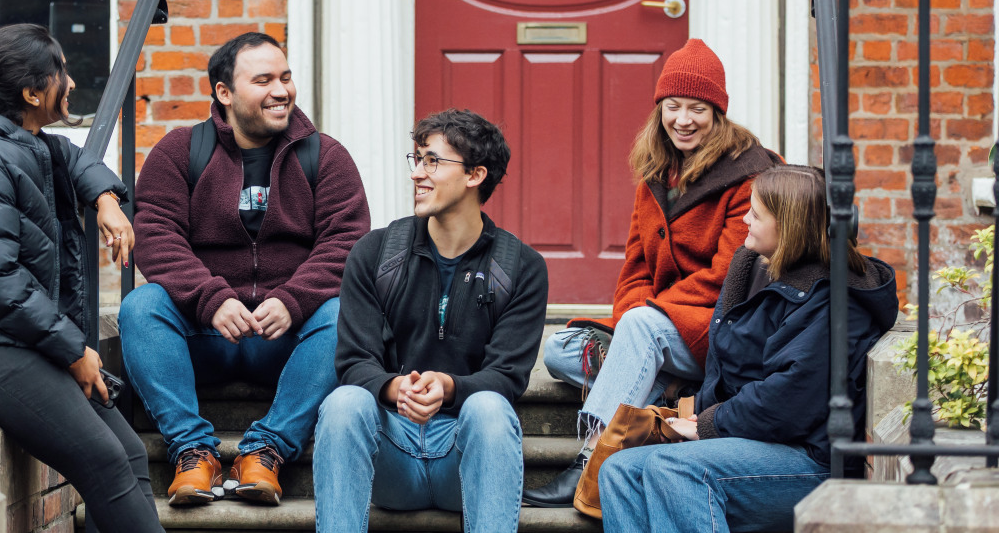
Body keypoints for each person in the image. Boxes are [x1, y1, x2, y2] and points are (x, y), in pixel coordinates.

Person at [0, 24, 160, 532]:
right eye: (60, 71)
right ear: (31, 93)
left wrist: (105, 200)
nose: (72, 81)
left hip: (5, 339)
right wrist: (73, 350)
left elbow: (72, 157)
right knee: (103, 461)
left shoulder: (23, 141)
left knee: (127, 452)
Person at [523, 38, 783, 508]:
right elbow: (635, 268)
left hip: (716, 327)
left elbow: (729, 277)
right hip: (663, 327)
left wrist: (646, 317)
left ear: (717, 113)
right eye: (673, 106)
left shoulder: (748, 177)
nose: (683, 119)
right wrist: (633, 318)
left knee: (640, 327)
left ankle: (591, 460)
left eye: (697, 108)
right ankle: (668, 388)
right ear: (659, 108)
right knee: (562, 350)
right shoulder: (657, 173)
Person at [119, 32, 370, 507]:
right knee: (140, 307)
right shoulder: (179, 151)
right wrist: (210, 299)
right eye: (264, 80)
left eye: (286, 77)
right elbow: (155, 234)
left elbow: (348, 241)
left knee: (345, 316)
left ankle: (266, 450)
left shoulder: (325, 155)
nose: (282, 90)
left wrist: (294, 299)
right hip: (204, 337)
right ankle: (193, 452)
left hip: (288, 341)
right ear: (224, 93)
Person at [599, 165, 899, 532]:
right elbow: (724, 365)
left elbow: (791, 399)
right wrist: (699, 415)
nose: (745, 219)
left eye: (756, 214)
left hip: (807, 459)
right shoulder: (752, 266)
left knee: (675, 468)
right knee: (618, 471)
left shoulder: (833, 298)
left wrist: (710, 425)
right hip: (750, 438)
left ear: (789, 226)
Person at [314, 109, 549, 532]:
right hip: (391, 455)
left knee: (490, 409)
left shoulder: (521, 267)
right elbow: (353, 362)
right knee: (343, 403)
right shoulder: (376, 253)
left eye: (433, 161)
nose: (417, 173)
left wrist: (449, 387)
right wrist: (394, 386)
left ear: (475, 175)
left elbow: (508, 376)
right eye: (417, 159)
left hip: (464, 457)